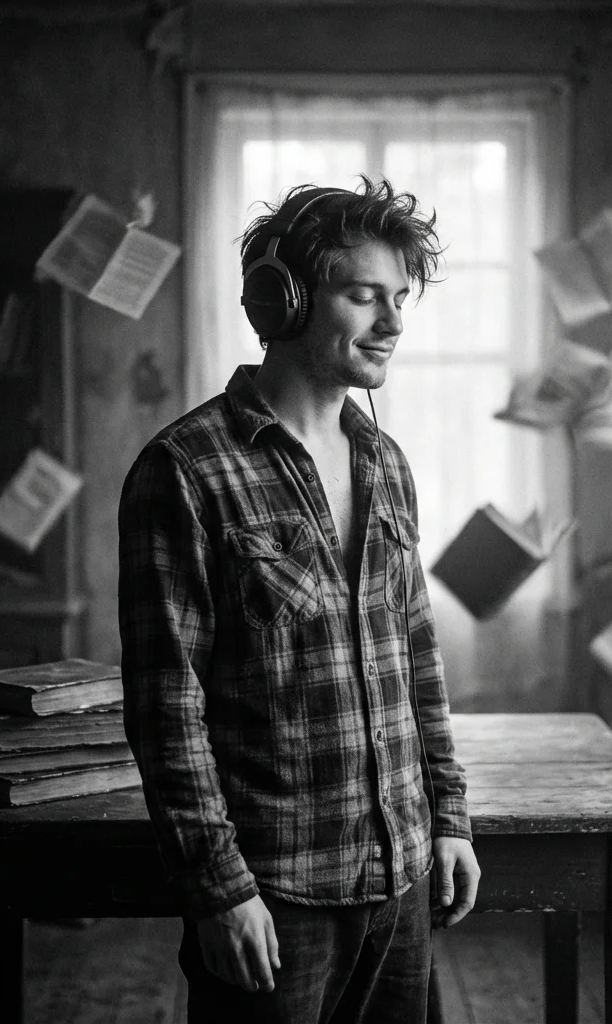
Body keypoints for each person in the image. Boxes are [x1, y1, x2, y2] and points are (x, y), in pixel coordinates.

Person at [118, 176, 479, 1024]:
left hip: (403, 876)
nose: (392, 322)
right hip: (276, 893)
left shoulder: (387, 465)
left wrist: (449, 819)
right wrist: (217, 891)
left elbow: (416, 659)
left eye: (399, 299)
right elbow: (166, 708)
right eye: (364, 296)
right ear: (282, 301)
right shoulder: (186, 470)